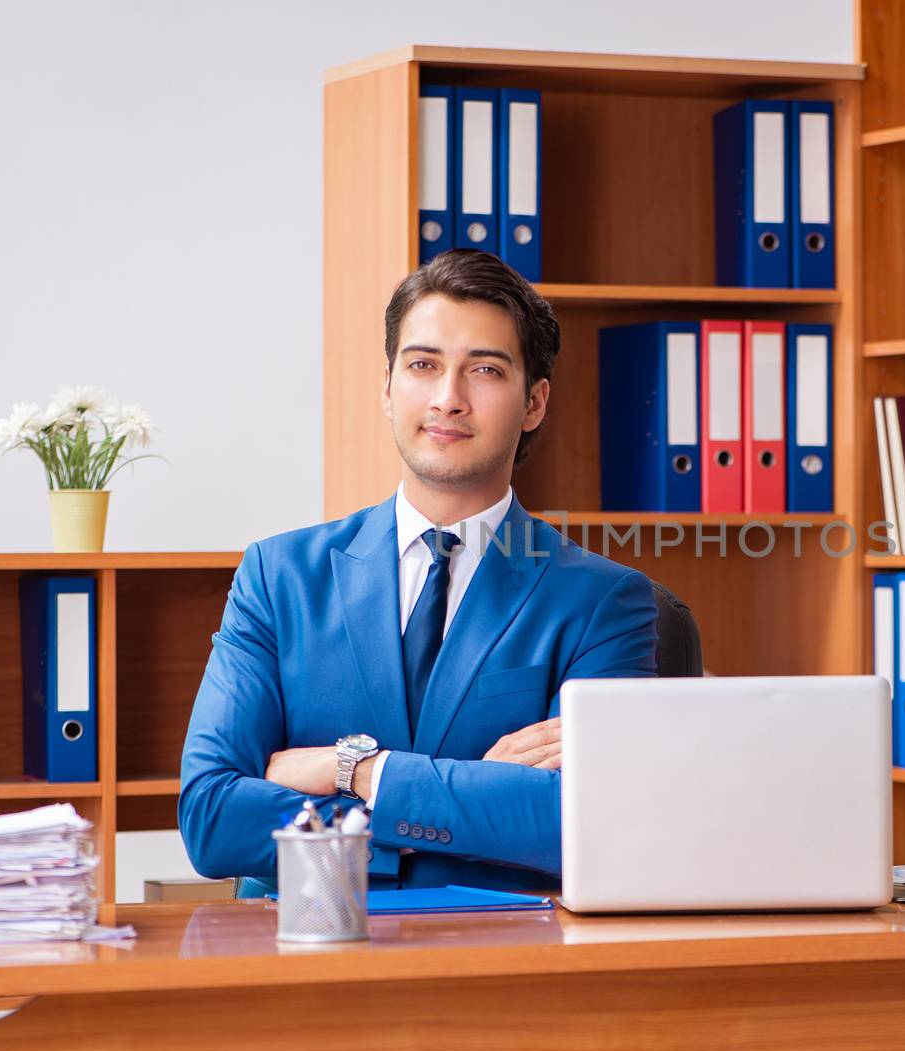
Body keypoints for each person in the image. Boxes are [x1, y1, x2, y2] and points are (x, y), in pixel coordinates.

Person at [179, 249, 659, 895]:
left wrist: (355, 770)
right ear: (387, 388)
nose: (448, 398)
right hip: (304, 949)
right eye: (423, 365)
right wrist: (472, 806)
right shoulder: (280, 575)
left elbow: (576, 826)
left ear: (535, 402)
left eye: (484, 370)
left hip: (498, 957)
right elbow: (212, 821)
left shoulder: (603, 601)